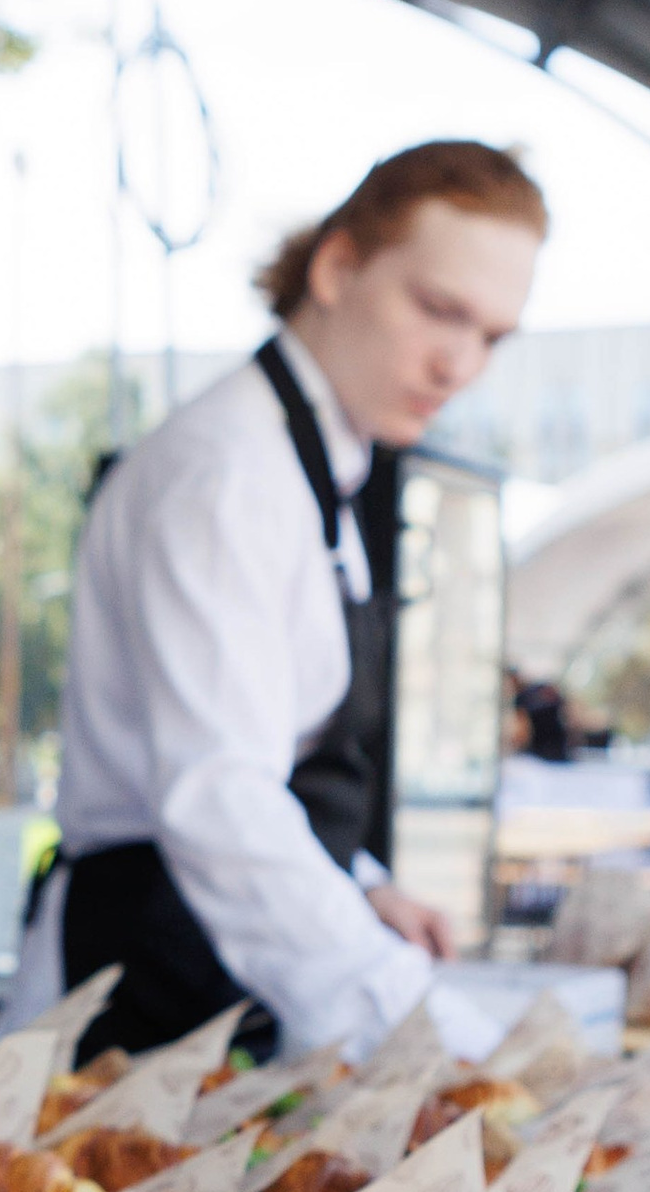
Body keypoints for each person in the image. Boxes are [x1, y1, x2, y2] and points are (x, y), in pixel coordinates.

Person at [41, 140, 548, 1060]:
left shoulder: (317, 470)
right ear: (337, 265)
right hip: (139, 989)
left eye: (492, 337)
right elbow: (219, 798)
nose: (460, 365)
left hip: (211, 972)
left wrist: (360, 886)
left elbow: (274, 754)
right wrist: (421, 1032)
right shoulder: (225, 475)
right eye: (440, 311)